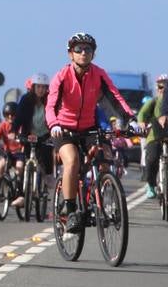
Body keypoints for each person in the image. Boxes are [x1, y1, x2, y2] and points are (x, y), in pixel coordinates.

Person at [48, 32, 137, 233]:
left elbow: (114, 97)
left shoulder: (99, 74)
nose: (84, 53)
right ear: (71, 54)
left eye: (88, 49)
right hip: (63, 128)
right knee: (72, 161)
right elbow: (51, 105)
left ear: (93, 54)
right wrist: (53, 124)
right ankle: (71, 212)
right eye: (78, 49)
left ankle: (102, 200)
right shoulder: (61, 76)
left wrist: (130, 119)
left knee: (104, 160)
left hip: (89, 127)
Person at [11, 72, 54, 209]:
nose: (41, 90)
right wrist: (13, 131)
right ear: (33, 87)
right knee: (23, 166)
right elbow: (18, 118)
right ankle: (21, 195)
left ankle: (46, 178)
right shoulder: (25, 99)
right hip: (28, 135)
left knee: (46, 158)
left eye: (43, 87)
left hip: (45, 135)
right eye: (38, 87)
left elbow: (56, 116)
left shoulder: (51, 100)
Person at [137, 75, 166, 197]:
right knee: (151, 159)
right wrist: (142, 123)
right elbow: (142, 114)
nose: (163, 89)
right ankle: (151, 185)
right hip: (155, 136)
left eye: (166, 86)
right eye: (160, 86)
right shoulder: (153, 101)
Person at [0, 103, 24, 184]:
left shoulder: (20, 125)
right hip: (8, 154)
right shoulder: (3, 125)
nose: (10, 117)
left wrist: (19, 138)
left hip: (19, 154)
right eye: (7, 115)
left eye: (13, 115)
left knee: (19, 167)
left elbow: (24, 135)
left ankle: (18, 186)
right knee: (0, 166)